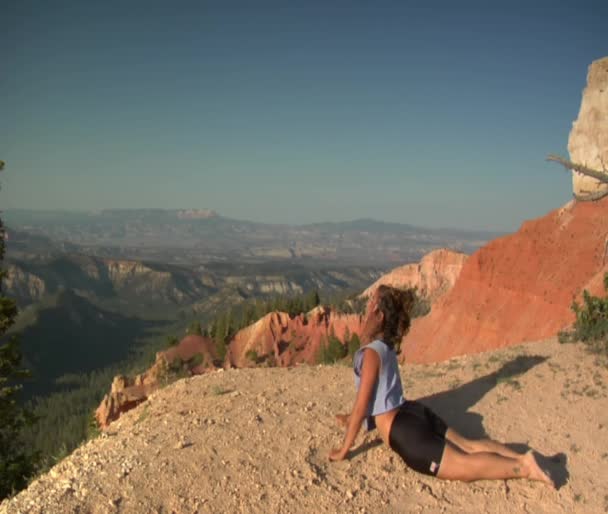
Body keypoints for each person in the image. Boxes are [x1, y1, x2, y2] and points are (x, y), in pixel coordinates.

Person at [328, 285, 554, 487]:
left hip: (404, 433)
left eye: (370, 304)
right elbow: (379, 395)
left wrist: (344, 449)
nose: (366, 309)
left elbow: (363, 403)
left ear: (379, 314)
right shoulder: (384, 348)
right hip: (413, 412)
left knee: (464, 466)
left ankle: (523, 468)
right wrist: (349, 419)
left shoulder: (370, 355)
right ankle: (522, 456)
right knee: (469, 445)